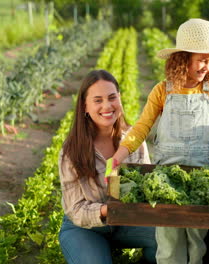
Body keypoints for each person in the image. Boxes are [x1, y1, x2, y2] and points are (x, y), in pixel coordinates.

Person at [112, 18, 209, 264]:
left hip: (201, 178)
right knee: (168, 241)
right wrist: (120, 155)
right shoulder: (162, 90)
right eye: (201, 60)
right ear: (182, 57)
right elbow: (141, 127)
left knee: (198, 242)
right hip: (167, 179)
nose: (207, 66)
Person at [58, 69, 157, 264]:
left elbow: (146, 186)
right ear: (85, 106)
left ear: (119, 99)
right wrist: (108, 209)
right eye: (97, 100)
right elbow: (76, 209)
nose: (107, 106)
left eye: (112, 97)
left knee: (173, 240)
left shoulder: (133, 140)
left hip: (127, 223)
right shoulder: (72, 151)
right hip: (85, 228)